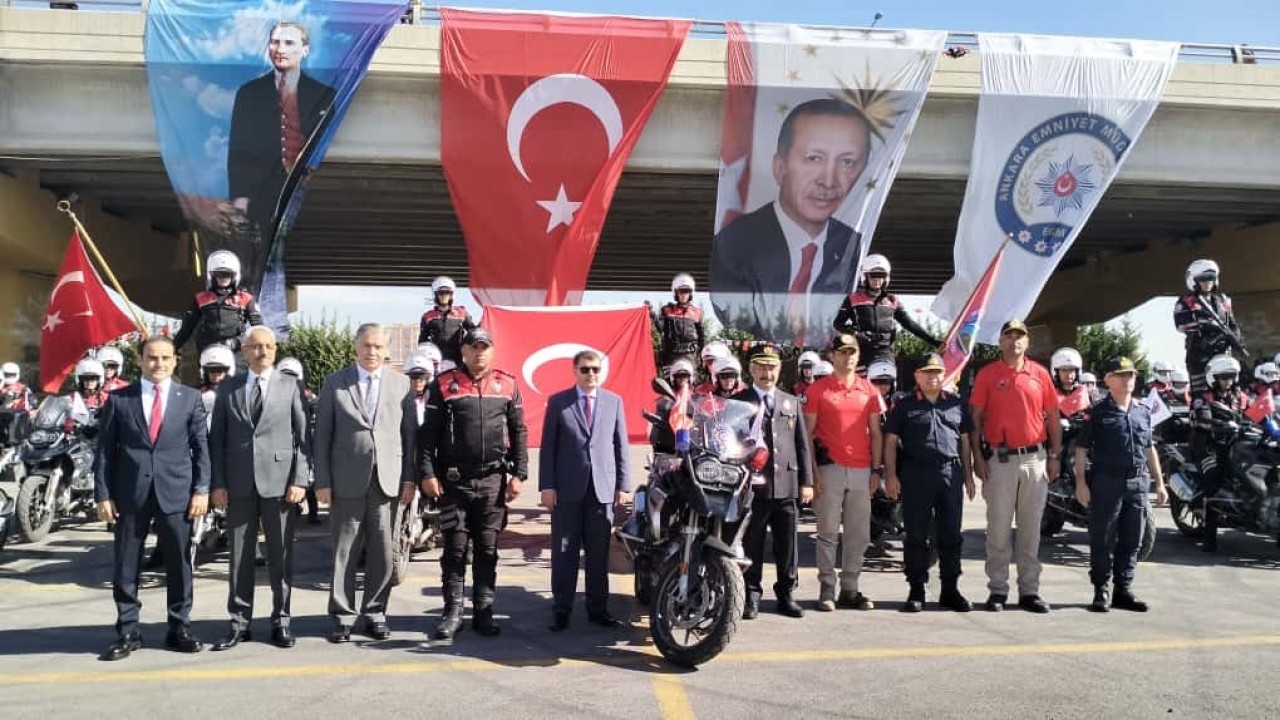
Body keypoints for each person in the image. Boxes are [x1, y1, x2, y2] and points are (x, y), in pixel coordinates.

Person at [710, 98, 871, 343]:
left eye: (847, 162)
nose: (828, 180)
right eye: (814, 158)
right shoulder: (736, 244)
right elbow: (734, 320)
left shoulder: (852, 247)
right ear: (779, 167)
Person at [93, 335, 210, 661]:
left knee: (179, 564)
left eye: (165, 358)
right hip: (130, 495)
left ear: (175, 361)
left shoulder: (189, 398)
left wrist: (201, 490)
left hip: (177, 494)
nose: (158, 363)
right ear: (141, 360)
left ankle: (179, 628)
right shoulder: (119, 400)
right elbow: (104, 453)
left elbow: (202, 449)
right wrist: (103, 495)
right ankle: (128, 631)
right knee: (126, 566)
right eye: (151, 358)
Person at [417, 328, 529, 639]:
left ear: (491, 351)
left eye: (484, 347)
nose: (479, 352)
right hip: (454, 482)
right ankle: (452, 613)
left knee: (487, 549)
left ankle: (483, 611)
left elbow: (519, 431)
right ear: (463, 351)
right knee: (454, 549)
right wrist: (427, 473)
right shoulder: (443, 385)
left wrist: (519, 474)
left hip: (493, 481)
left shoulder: (507, 385)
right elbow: (427, 436)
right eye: (473, 346)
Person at [208, 326, 310, 651]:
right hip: (238, 484)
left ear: (275, 350)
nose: (262, 352)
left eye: (268, 346)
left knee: (281, 556)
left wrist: (300, 479)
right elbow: (217, 441)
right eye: (255, 347)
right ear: (244, 350)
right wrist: (218, 483)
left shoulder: (291, 386)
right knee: (239, 557)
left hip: (280, 484)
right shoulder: (229, 388)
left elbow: (303, 438)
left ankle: (281, 621)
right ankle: (239, 623)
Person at [313, 323, 415, 643]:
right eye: (366, 346)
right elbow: (322, 437)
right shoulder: (334, 383)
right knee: (344, 549)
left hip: (388, 481)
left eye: (378, 347)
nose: (372, 352)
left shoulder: (402, 385)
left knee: (384, 551)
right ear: (356, 347)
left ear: (387, 351)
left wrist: (410, 478)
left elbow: (409, 437)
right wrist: (323, 481)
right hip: (345, 480)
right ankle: (343, 615)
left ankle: (375, 612)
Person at [969, 320, 1063, 614]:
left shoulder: (1040, 374)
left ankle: (1030, 591)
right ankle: (997, 590)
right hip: (1000, 461)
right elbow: (975, 420)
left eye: (1019, 336)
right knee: (997, 529)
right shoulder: (988, 375)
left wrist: (1054, 455)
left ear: (1027, 341)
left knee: (1030, 530)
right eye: (1008, 336)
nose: (1014, 341)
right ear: (1000, 342)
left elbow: (1052, 417)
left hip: (1035, 460)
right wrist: (977, 458)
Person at [539, 349, 631, 631]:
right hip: (567, 490)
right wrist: (547, 486)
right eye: (585, 369)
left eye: (595, 369)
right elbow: (548, 448)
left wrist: (623, 486)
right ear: (574, 371)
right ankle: (561, 609)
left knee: (598, 551)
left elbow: (621, 446)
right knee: (564, 551)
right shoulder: (558, 402)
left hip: (601, 490)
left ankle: (598, 608)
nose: (591, 374)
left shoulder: (614, 402)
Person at [228, 21, 336, 244]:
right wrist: (240, 195)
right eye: (275, 42)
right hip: (262, 190)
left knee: (300, 244)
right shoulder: (249, 93)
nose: (280, 49)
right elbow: (238, 147)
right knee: (264, 249)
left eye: (289, 43)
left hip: (303, 189)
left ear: (305, 49)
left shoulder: (325, 96)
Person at [883, 353, 976, 612]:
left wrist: (968, 476)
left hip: (950, 474)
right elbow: (890, 442)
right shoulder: (905, 406)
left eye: (937, 372)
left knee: (950, 535)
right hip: (916, 475)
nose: (933, 376)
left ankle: (950, 589)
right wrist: (891, 475)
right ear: (917, 376)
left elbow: (966, 441)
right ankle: (916, 589)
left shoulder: (957, 404)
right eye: (927, 372)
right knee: (916, 535)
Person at [1074, 357, 1168, 613]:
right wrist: (1081, 482)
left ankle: (1123, 590)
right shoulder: (1097, 412)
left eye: (1131, 375)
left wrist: (1159, 483)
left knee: (1132, 539)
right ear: (1108, 379)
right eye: (1122, 374)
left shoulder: (1142, 411)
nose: (1128, 379)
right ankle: (1100, 590)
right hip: (1107, 482)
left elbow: (1149, 449)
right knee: (1102, 538)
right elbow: (1081, 449)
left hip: (1137, 483)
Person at [803, 333, 884, 611]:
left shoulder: (869, 390)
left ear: (858, 355)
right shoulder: (817, 391)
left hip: (862, 470)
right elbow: (807, 436)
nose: (847, 356)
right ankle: (827, 588)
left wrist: (877, 469)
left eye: (852, 352)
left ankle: (850, 588)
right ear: (832, 356)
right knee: (827, 532)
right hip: (829, 470)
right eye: (842, 352)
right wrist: (812, 473)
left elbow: (876, 433)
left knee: (858, 534)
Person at [733, 345, 811, 619]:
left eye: (772, 367)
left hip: (787, 484)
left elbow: (802, 445)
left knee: (787, 544)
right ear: (752, 370)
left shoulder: (791, 401)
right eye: (762, 367)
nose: (768, 373)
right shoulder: (739, 401)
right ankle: (751, 594)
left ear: (779, 370)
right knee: (752, 543)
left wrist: (807, 482)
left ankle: (787, 594)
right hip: (754, 486)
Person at [1189, 354, 1250, 552]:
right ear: (1213, 378)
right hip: (1209, 446)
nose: (1228, 381)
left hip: (1235, 445)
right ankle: (1209, 537)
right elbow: (1203, 417)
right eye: (1224, 377)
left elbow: (1255, 410)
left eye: (1231, 376)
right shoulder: (1202, 397)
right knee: (1213, 484)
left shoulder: (1239, 396)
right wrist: (1217, 424)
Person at [832, 255, 940, 366]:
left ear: (886, 278)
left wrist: (934, 341)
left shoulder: (892, 300)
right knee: (862, 383)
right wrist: (856, 334)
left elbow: (910, 324)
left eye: (881, 276)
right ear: (865, 276)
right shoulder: (853, 298)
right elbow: (838, 323)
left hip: (885, 352)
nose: (877, 280)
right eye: (873, 276)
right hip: (861, 351)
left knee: (886, 380)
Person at [1174, 259, 1245, 395]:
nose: (1207, 282)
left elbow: (1232, 323)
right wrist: (1207, 325)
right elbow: (1181, 325)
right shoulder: (1185, 302)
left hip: (1223, 355)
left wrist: (1237, 339)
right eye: (1203, 279)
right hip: (1199, 356)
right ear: (1194, 281)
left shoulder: (1223, 300)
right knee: (1201, 394)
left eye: (1211, 279)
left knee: (1231, 391)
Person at [173, 251, 264, 355]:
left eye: (228, 275)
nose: (224, 278)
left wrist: (236, 342)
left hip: (237, 355)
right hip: (208, 353)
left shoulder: (246, 298)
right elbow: (186, 328)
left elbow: (259, 330)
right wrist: (172, 348)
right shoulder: (200, 298)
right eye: (220, 274)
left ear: (235, 275)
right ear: (212, 275)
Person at [278, 356, 320, 525]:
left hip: (304, 439)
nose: (288, 379)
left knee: (307, 476)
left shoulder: (308, 395)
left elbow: (316, 412)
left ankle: (313, 512)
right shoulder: (273, 394)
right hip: (284, 441)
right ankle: (292, 509)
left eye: (292, 375)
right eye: (284, 375)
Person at [418, 276, 476, 365]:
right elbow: (422, 341)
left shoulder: (461, 313)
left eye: (447, 292)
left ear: (451, 295)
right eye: (441, 293)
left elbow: (473, 332)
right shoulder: (427, 316)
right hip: (436, 360)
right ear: (436, 294)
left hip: (458, 359)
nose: (444, 295)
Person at [653, 273, 706, 369]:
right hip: (671, 355)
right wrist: (652, 314)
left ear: (690, 293)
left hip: (690, 355)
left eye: (686, 291)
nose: (683, 294)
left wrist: (702, 356)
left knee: (691, 381)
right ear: (676, 293)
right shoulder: (667, 310)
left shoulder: (697, 312)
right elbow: (661, 328)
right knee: (668, 382)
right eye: (681, 291)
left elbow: (701, 337)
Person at [198, 345, 237, 419]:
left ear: (228, 371)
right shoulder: (197, 395)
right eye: (211, 370)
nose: (215, 374)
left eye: (220, 370)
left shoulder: (238, 394)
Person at [68, 358, 110, 426]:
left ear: (99, 379)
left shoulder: (105, 398)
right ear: (80, 380)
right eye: (86, 378)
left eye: (93, 378)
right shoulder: (72, 397)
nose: (89, 381)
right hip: (76, 434)